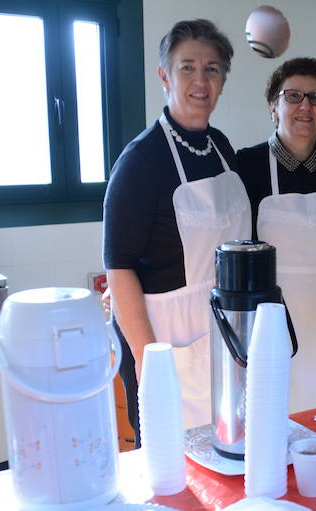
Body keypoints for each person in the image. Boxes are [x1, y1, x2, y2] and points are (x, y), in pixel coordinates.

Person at [103, 19, 250, 434]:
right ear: (164, 74)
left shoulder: (221, 146)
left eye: (212, 69)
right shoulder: (141, 160)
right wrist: (150, 360)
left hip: (223, 329)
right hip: (167, 337)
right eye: (187, 67)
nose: (201, 80)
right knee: (172, 466)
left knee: (227, 449)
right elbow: (119, 266)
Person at [236, 57, 316, 412]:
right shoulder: (247, 164)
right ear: (273, 107)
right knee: (275, 411)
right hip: (272, 313)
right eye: (293, 96)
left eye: (315, 98)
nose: (305, 106)